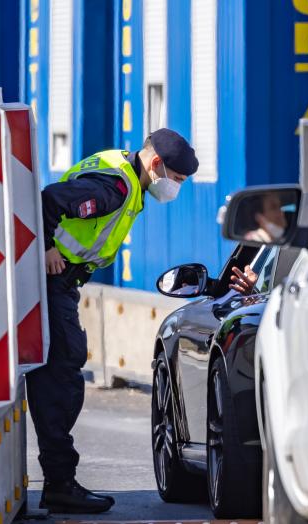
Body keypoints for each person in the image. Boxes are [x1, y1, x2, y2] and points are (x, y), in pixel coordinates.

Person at [30, 129, 198, 514]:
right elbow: (49, 201)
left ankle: (60, 481)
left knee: (60, 372)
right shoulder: (116, 188)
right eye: (176, 179)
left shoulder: (122, 173)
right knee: (62, 376)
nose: (175, 188)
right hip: (54, 280)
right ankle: (59, 483)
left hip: (62, 283)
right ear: (156, 164)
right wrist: (47, 248)